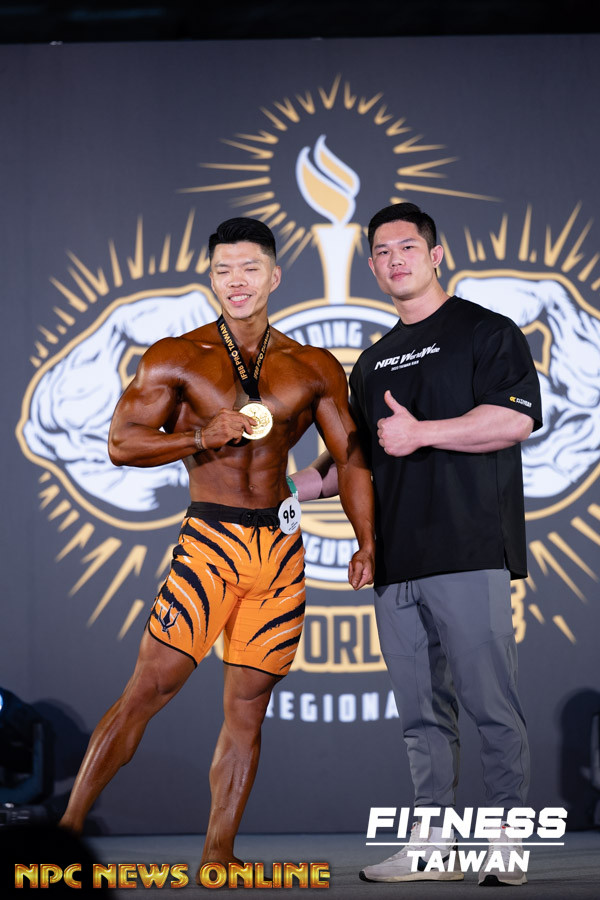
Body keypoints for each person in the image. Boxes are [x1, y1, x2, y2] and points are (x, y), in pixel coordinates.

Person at [58, 217, 375, 878]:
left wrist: (367, 539)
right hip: (211, 543)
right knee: (149, 689)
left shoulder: (312, 366)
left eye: (249, 268)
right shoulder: (177, 357)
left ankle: (219, 853)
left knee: (247, 712)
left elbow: (349, 457)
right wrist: (200, 438)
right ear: (211, 277)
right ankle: (65, 835)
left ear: (274, 276)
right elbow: (121, 444)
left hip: (279, 552)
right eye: (224, 269)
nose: (237, 281)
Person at [293, 203, 542, 887]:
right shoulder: (373, 362)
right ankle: (433, 846)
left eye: (406, 246)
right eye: (381, 251)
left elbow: (514, 421)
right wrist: (282, 489)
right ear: (372, 267)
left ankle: (506, 844)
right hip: (396, 563)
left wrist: (423, 433)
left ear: (435, 255)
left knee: (491, 708)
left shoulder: (486, 332)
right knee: (421, 719)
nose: (394, 259)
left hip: (469, 550)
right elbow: (353, 460)